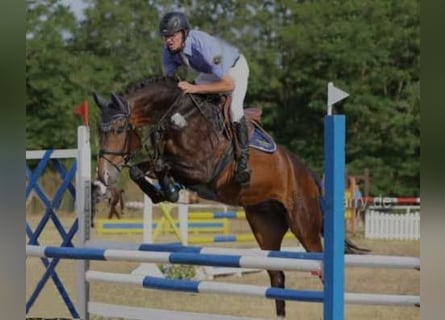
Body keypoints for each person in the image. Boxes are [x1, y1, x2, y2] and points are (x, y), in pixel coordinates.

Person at [159, 11, 251, 186]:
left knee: (234, 110)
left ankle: (244, 161)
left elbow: (228, 84)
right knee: (186, 100)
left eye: (173, 35)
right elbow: (170, 84)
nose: (169, 40)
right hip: (211, 73)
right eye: (165, 36)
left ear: (184, 33)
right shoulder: (168, 51)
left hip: (234, 70)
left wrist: (195, 87)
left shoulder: (204, 46)